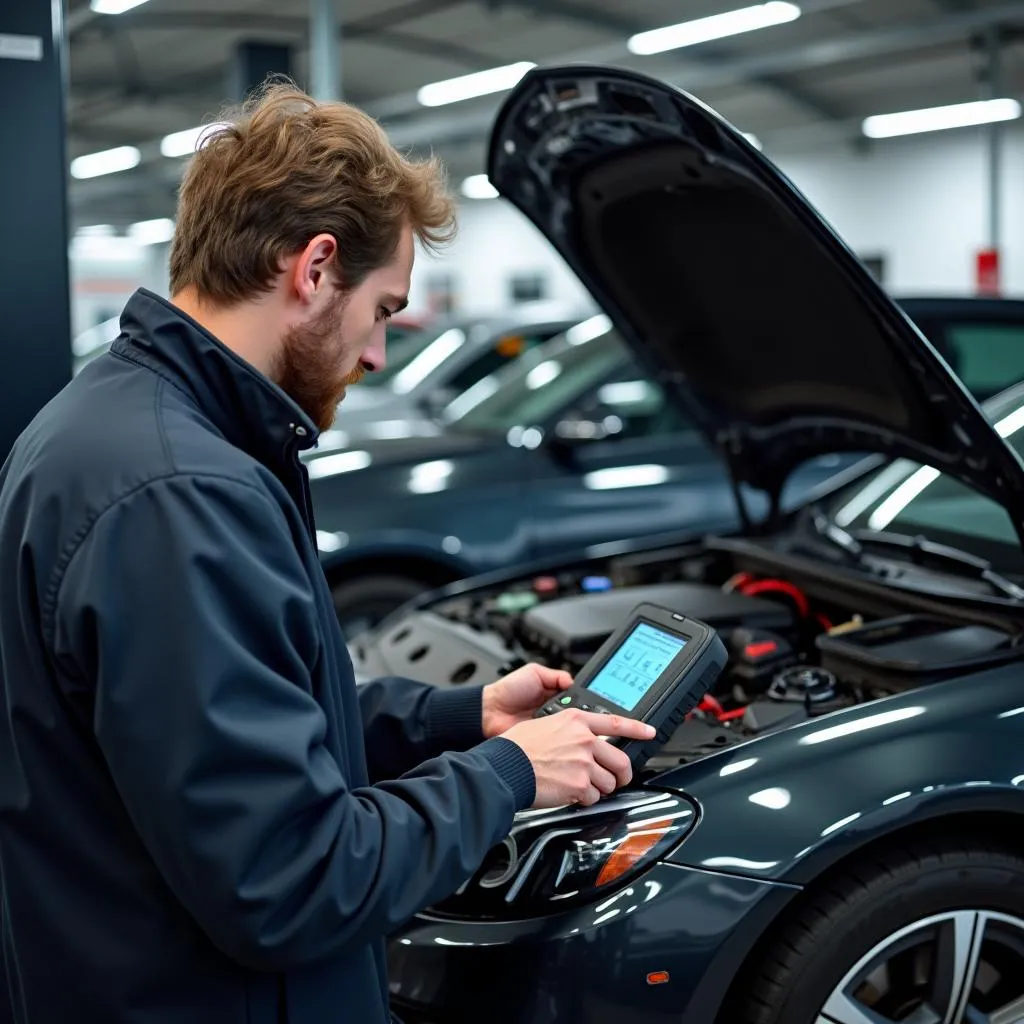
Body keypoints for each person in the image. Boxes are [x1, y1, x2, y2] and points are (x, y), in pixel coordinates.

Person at [0, 82, 654, 1024]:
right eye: (383, 308)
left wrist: (457, 718)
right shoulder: (182, 492)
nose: (380, 353)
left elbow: (233, 729)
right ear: (313, 269)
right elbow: (290, 879)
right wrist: (512, 778)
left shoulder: (112, 424)